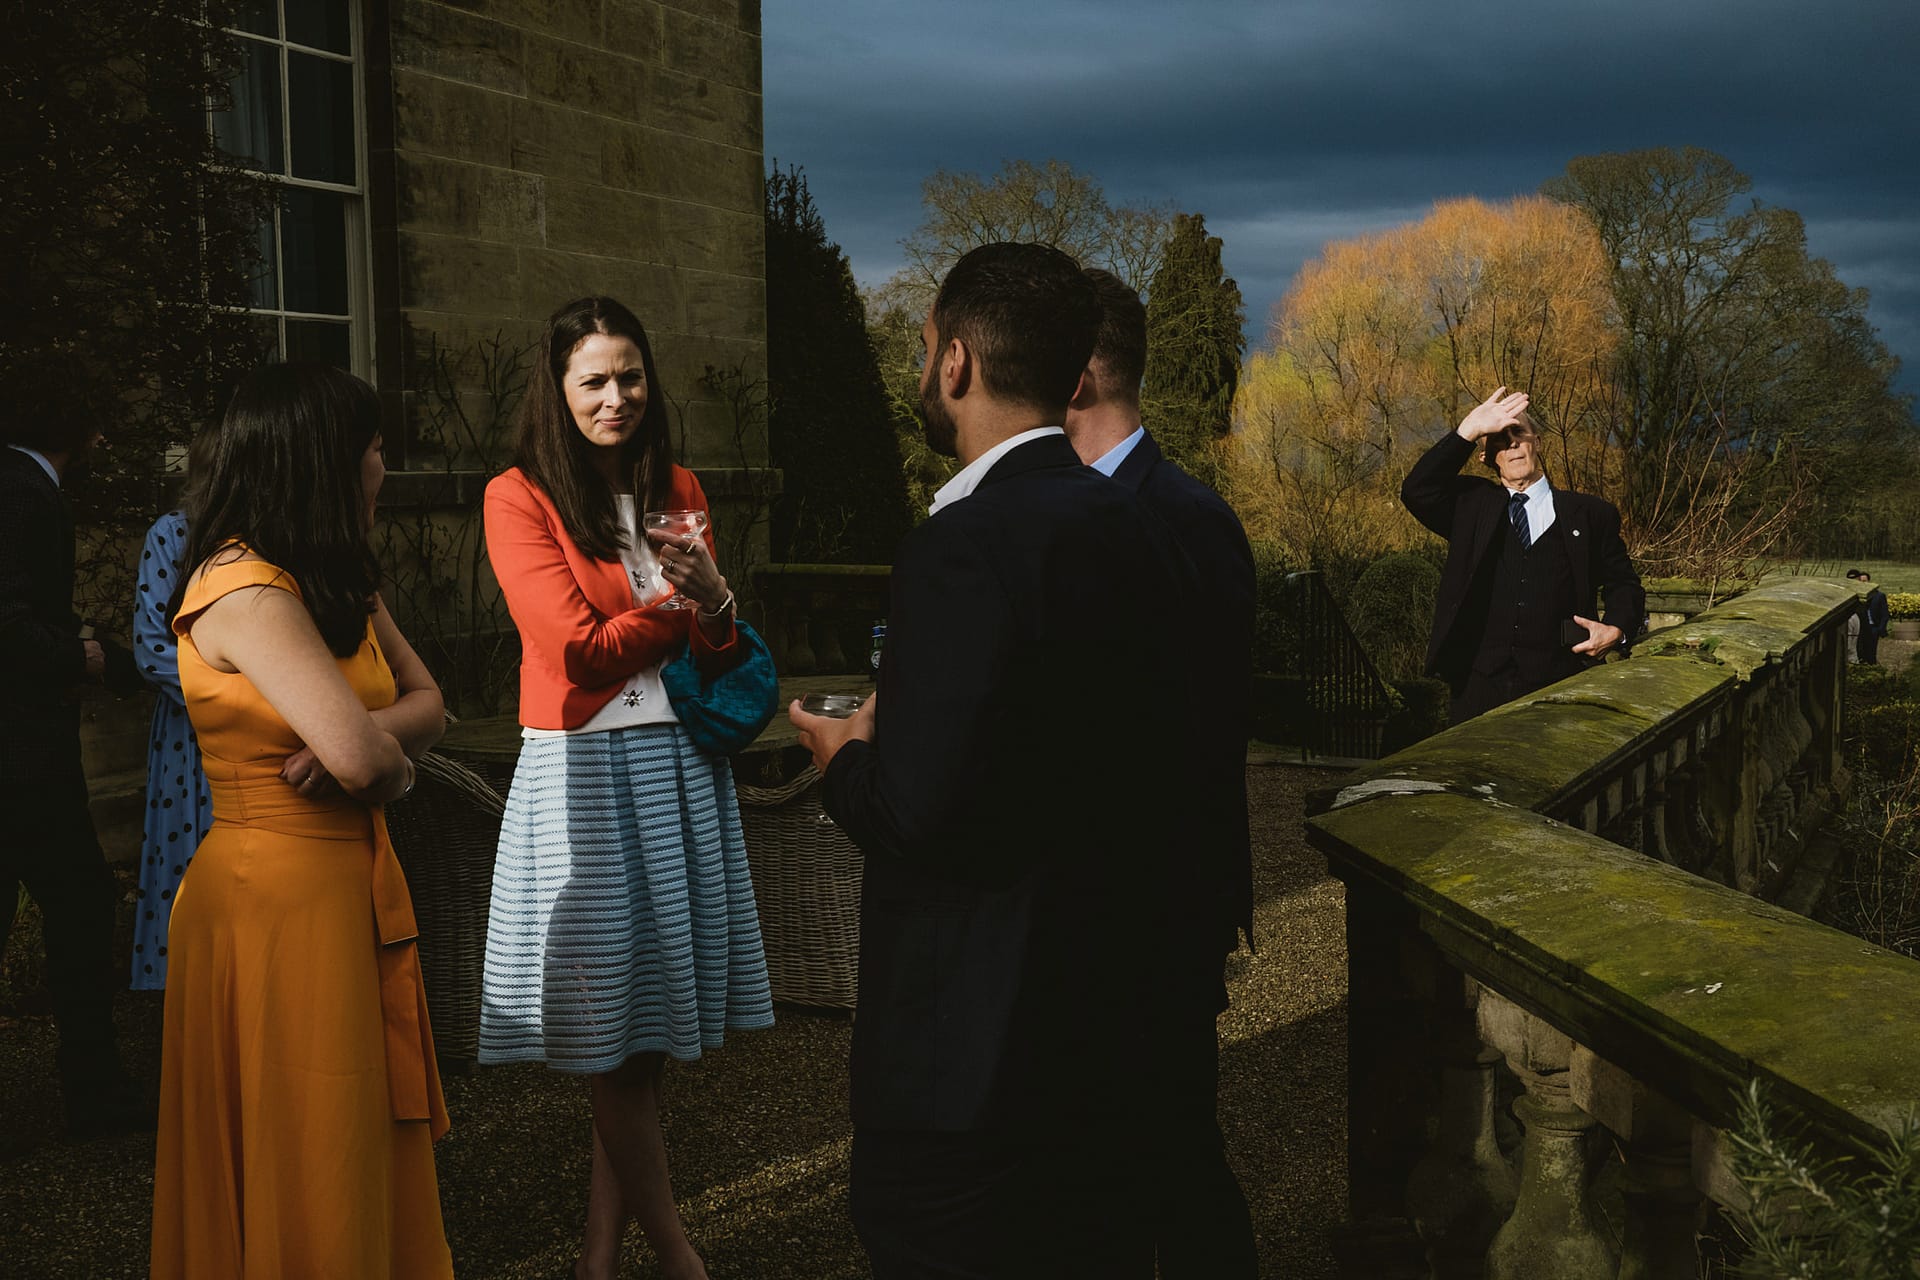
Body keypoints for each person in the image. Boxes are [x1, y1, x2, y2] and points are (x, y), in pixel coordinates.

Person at [789, 242, 1202, 1279]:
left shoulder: (959, 545)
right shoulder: (1149, 528)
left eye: (925, 347)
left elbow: (914, 813)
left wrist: (844, 757)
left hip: (974, 1071)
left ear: (956, 361)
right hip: (1111, 1044)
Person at [479, 295, 772, 1280]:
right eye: (594, 380)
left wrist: (714, 608)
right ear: (558, 389)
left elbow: (713, 651)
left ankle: (597, 1257)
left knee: (641, 1035)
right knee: (609, 1028)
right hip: (585, 772)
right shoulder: (518, 496)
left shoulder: (677, 485)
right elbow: (575, 648)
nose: (616, 396)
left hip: (680, 764)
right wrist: (691, 604)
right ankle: (678, 1252)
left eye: (631, 375)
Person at [150, 363, 453, 1278]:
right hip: (275, 905)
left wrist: (363, 743)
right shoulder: (244, 591)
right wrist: (376, 756)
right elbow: (368, 762)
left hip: (341, 888)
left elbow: (429, 702)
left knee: (347, 1138)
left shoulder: (334, 577)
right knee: (309, 1138)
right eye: (374, 448)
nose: (384, 468)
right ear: (322, 459)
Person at [1062, 267, 1258, 1278]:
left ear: (1079, 375)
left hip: (1152, 907)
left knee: (1174, 1161)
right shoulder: (1082, 508)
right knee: (1113, 1168)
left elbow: (1195, 736)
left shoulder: (1183, 517)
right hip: (1105, 905)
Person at [0, 419, 148, 1136]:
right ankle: (94, 1091)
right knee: (83, 905)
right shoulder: (25, 488)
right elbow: (11, 627)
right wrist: (81, 658)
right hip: (21, 754)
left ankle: (95, 1087)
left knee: (79, 903)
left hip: (26, 751)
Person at [1401, 389, 1645, 725]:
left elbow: (1624, 584)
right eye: (1500, 440)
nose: (1513, 444)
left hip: (1562, 683)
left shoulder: (1591, 514)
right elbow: (1417, 491)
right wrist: (1468, 431)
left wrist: (1616, 629)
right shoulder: (1470, 507)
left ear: (1537, 442)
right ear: (1487, 458)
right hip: (1477, 687)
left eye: (1519, 433)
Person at [128, 428, 219, 991]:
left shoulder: (275, 537)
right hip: (191, 736)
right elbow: (151, 649)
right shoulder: (173, 534)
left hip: (267, 731)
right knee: (190, 863)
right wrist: (246, 691)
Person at [1855, 570, 1889, 665]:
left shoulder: (1879, 596)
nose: (1863, 583)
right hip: (1860, 627)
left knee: (1871, 651)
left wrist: (1880, 629)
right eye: (1860, 581)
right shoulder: (1856, 596)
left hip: (1873, 627)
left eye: (1864, 581)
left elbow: (1885, 614)